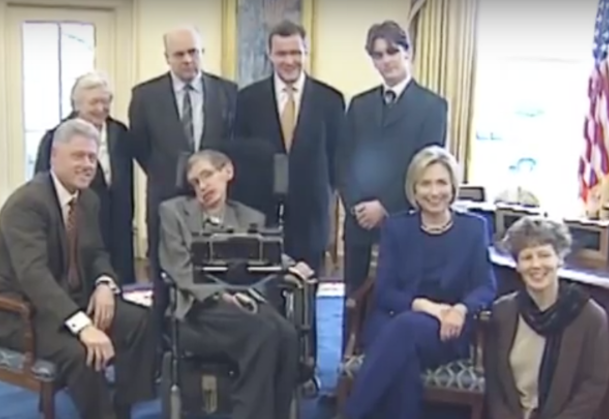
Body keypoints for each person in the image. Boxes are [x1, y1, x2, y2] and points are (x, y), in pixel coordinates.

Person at [314, 146, 496, 419]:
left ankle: (350, 415)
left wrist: (461, 309)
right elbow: (384, 292)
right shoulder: (397, 228)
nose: (434, 191)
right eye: (425, 183)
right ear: (414, 188)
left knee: (408, 336)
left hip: (445, 331)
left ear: (453, 186)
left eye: (441, 182)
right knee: (405, 361)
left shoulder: (474, 229)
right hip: (398, 319)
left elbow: (486, 285)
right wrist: (428, 306)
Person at [0, 119, 157, 419]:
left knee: (140, 322)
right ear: (55, 155)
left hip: (67, 299)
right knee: (81, 350)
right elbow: (35, 277)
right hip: (21, 314)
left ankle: (120, 417)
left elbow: (95, 254)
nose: (87, 165)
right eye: (78, 156)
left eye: (92, 157)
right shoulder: (27, 204)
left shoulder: (87, 200)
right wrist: (82, 326)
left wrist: (106, 283)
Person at [158, 149, 314, 419]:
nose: (202, 186)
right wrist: (223, 295)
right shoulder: (173, 213)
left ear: (227, 171)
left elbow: (264, 257)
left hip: (246, 308)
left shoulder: (249, 217)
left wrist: (291, 265)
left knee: (285, 333)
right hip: (198, 312)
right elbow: (178, 269)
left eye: (208, 175)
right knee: (262, 331)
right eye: (195, 182)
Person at [466, 218, 609, 419]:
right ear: (516, 265)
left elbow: (594, 386)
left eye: (544, 254)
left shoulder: (589, 317)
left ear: (559, 257)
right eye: (526, 257)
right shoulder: (504, 312)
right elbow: (494, 379)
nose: (536, 265)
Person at [338, 20, 448, 353]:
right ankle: (348, 369)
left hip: (403, 220)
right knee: (353, 299)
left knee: (396, 299)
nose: (385, 61)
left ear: (407, 52)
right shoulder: (359, 104)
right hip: (359, 220)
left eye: (392, 52)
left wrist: (386, 207)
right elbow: (344, 160)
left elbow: (426, 168)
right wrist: (358, 205)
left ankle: (387, 367)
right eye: (377, 55)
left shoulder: (432, 106)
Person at [234, 19, 345, 274]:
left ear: (306, 53)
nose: (289, 60)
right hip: (261, 217)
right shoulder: (248, 99)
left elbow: (336, 158)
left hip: (311, 216)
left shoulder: (331, 100)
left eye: (296, 52)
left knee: (307, 295)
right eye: (281, 53)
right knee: (265, 295)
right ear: (270, 55)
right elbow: (242, 158)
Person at [128, 25, 238, 279]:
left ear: (202, 52)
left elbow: (231, 142)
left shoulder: (228, 92)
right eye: (179, 54)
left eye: (193, 52)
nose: (188, 59)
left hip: (216, 201)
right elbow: (140, 147)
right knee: (165, 278)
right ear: (166, 57)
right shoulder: (145, 96)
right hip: (166, 197)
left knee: (216, 274)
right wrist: (170, 172)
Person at [34, 72, 136, 284]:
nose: (101, 108)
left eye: (106, 101)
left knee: (121, 286)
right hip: (79, 228)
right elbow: (43, 186)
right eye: (94, 102)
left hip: (119, 227)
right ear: (77, 105)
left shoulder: (120, 132)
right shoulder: (56, 137)